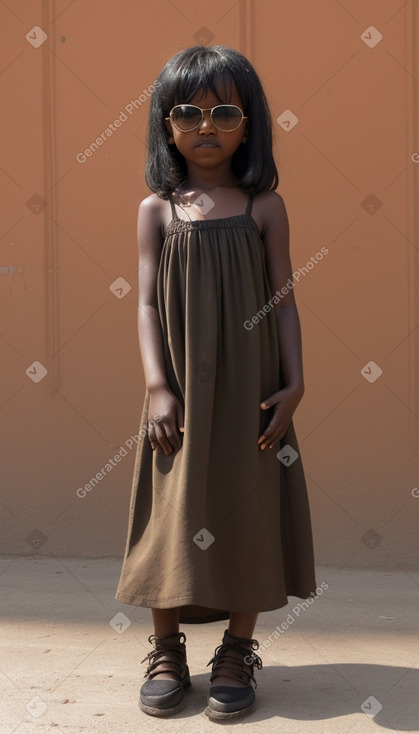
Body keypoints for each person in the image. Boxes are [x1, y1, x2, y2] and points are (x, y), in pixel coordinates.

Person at [115, 44, 317, 721]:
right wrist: (156, 387)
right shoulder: (156, 210)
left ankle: (237, 649)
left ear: (249, 124)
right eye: (189, 113)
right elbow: (144, 302)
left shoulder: (265, 207)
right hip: (178, 391)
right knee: (171, 514)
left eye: (225, 112)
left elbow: (283, 299)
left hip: (252, 391)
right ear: (165, 126)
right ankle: (165, 647)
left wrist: (294, 384)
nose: (208, 126)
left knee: (248, 508)